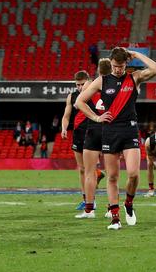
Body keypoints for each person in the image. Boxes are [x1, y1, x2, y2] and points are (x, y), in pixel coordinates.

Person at [75, 47, 156, 230]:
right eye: (114, 66)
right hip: (110, 132)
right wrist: (97, 117)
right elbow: (79, 101)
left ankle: (128, 204)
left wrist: (136, 54)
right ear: (111, 63)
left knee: (134, 174)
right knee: (112, 177)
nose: (117, 70)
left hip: (129, 130)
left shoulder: (134, 77)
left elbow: (155, 68)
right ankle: (115, 219)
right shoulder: (102, 81)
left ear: (126, 64)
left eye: (120, 66)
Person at [74, 58, 111, 219]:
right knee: (112, 174)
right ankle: (111, 209)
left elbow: (78, 103)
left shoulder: (93, 84)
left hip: (94, 128)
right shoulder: (120, 85)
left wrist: (95, 117)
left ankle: (89, 210)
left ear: (98, 71)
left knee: (88, 172)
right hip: (111, 128)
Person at [62, 70, 93, 211]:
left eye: (82, 84)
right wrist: (63, 128)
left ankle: (95, 201)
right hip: (78, 134)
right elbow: (66, 116)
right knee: (82, 169)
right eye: (77, 85)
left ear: (89, 81)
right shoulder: (72, 96)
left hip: (93, 132)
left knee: (90, 169)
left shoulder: (95, 93)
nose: (80, 87)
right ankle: (85, 198)